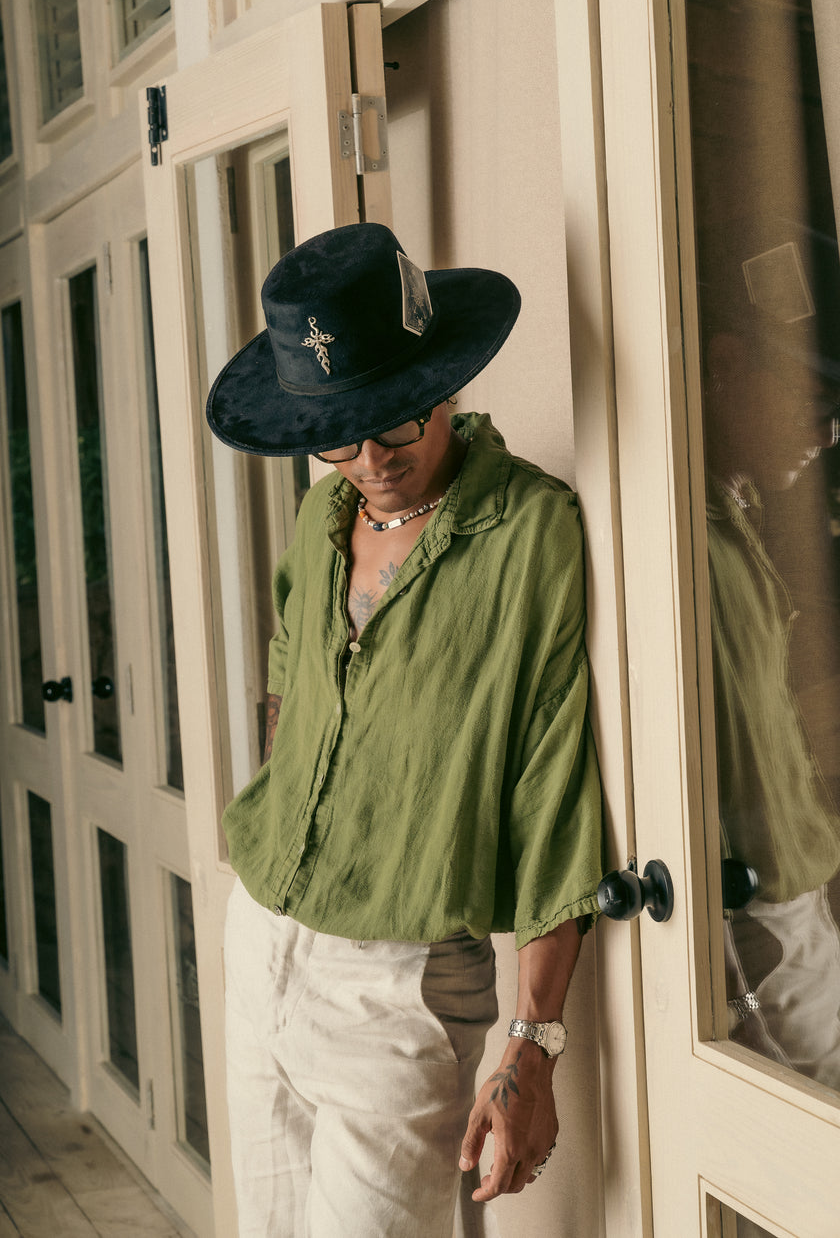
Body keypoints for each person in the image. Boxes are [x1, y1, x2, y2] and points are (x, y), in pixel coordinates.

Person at [206, 222, 603, 1236]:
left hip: (397, 985)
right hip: (261, 944)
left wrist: (532, 1048)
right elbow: (290, 699)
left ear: (445, 379)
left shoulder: (528, 536)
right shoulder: (319, 521)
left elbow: (554, 801)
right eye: (337, 436)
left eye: (394, 422)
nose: (371, 460)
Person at [700, 236, 840, 1088]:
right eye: (811, 394)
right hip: (765, 922)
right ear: (723, 367)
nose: (826, 429)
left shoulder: (728, 510)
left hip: (797, 903)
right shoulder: (693, 548)